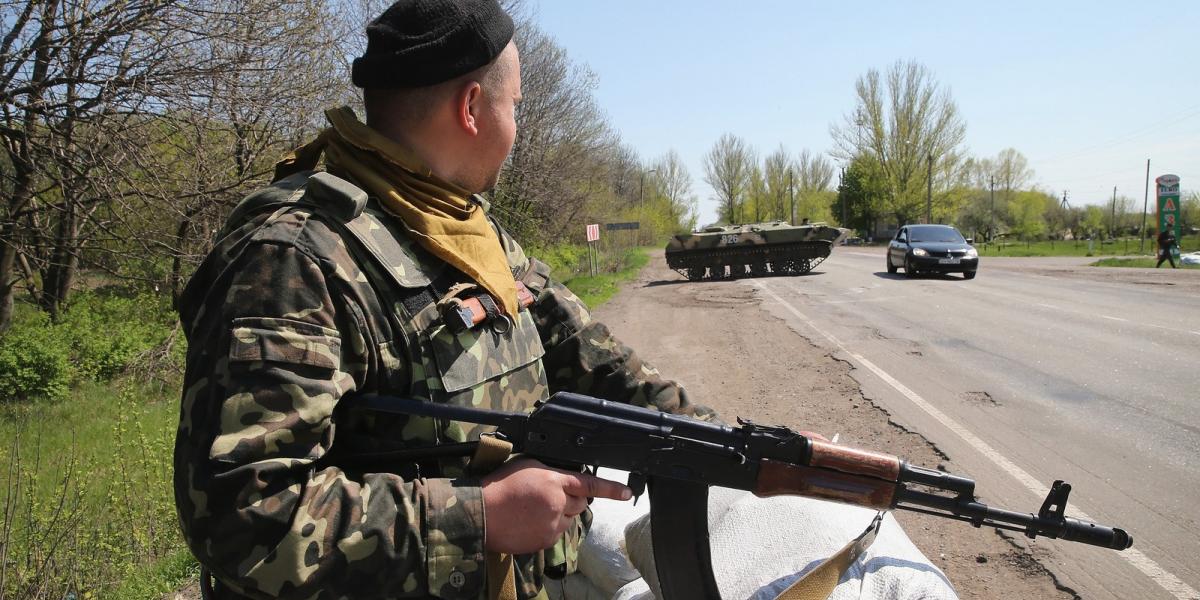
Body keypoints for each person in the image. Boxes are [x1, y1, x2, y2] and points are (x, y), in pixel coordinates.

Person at [172, 1, 709, 598]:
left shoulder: (461, 227)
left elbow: (584, 353)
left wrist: (720, 443)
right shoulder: (294, 258)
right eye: (516, 108)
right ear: (473, 107)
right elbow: (242, 512)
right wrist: (483, 517)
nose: (517, 127)